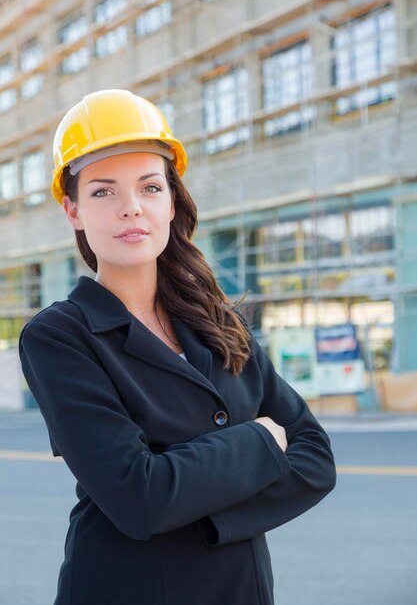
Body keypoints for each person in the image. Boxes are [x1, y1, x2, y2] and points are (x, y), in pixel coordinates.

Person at [19, 89, 336, 605]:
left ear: (171, 199)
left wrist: (186, 496)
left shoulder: (219, 322)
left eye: (149, 186)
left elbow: (317, 459)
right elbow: (140, 498)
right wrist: (259, 442)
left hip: (241, 590)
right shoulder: (60, 336)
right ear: (72, 209)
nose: (131, 209)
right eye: (103, 192)